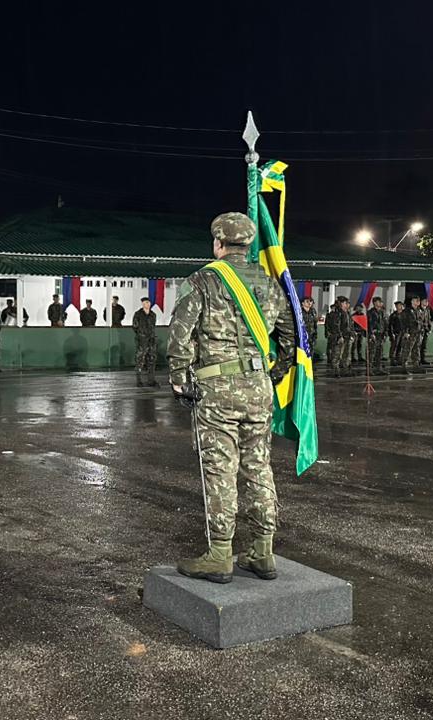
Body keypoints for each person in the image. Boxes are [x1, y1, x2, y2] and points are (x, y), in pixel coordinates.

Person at [167, 212, 294, 583]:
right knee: (259, 465)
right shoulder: (268, 283)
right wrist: (274, 373)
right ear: (248, 245)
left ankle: (220, 554)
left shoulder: (203, 280)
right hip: (258, 387)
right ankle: (262, 551)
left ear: (218, 243)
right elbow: (290, 335)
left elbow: (180, 336)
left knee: (220, 468)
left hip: (217, 388)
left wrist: (179, 380)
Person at [325, 297, 355, 377]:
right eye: (345, 303)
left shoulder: (348, 313)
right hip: (340, 338)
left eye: (347, 303)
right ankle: (335, 371)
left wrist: (352, 335)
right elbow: (336, 326)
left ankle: (345, 371)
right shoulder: (337, 313)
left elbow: (351, 326)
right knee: (337, 355)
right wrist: (339, 336)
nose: (347, 305)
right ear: (341, 304)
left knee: (347, 355)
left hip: (347, 337)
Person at [132, 297, 158, 387]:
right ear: (142, 304)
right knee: (140, 360)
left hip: (151, 340)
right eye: (145, 303)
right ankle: (139, 380)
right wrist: (141, 335)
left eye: (148, 302)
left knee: (152, 360)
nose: (147, 304)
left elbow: (153, 326)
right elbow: (135, 326)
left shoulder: (153, 315)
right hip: (142, 340)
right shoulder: (138, 314)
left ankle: (151, 380)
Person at [366, 296, 389, 375]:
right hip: (374, 335)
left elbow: (385, 324)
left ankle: (378, 369)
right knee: (371, 353)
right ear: (375, 303)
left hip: (381, 335)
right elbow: (369, 324)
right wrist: (371, 334)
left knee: (379, 353)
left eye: (381, 302)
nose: (381, 303)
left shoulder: (383, 312)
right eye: (379, 302)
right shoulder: (370, 312)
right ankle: (369, 370)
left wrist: (385, 333)